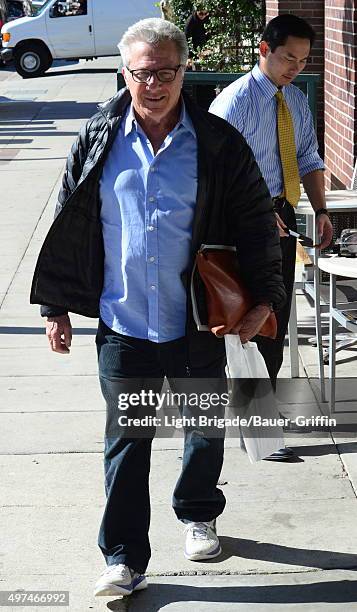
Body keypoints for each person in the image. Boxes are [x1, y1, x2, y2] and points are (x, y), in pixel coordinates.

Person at [30, 18, 286, 598]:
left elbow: (255, 226)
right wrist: (56, 305)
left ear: (183, 70)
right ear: (126, 72)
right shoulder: (99, 135)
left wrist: (264, 298)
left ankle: (197, 511)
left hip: (194, 318)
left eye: (166, 71)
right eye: (144, 72)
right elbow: (69, 222)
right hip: (123, 320)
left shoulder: (217, 143)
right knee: (127, 439)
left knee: (203, 427)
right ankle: (123, 555)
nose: (154, 84)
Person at [210, 13, 333, 460]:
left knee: (274, 319)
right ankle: (254, 422)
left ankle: (260, 417)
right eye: (287, 58)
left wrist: (319, 210)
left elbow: (307, 157)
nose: (295, 67)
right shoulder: (233, 104)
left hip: (282, 215)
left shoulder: (294, 101)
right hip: (241, 223)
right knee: (246, 321)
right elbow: (215, 177)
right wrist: (258, 214)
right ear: (263, 49)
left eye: (303, 60)